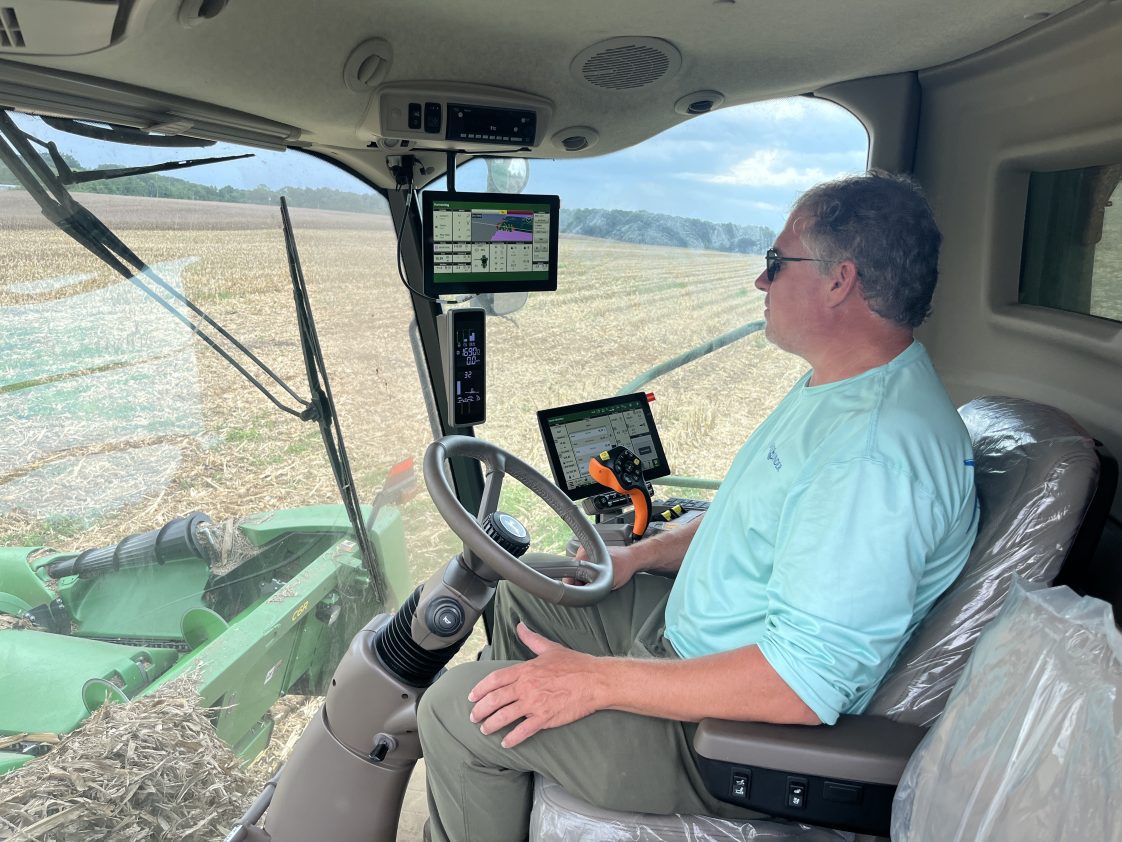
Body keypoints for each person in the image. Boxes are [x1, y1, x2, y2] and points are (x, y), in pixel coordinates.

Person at [417, 170, 978, 842]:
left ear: (840, 280)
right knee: (526, 590)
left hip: (720, 737)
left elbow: (797, 686)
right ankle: (514, 773)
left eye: (776, 264)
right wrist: (635, 557)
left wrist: (597, 683)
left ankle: (502, 753)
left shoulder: (875, 456)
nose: (760, 283)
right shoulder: (839, 389)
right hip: (689, 638)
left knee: (455, 710)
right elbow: (750, 517)